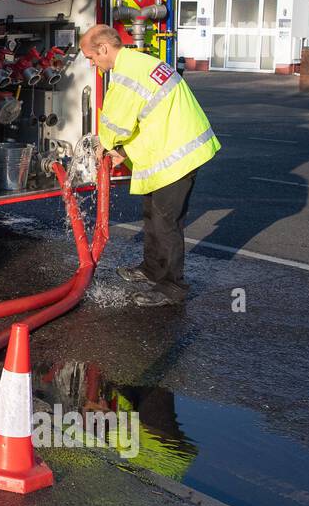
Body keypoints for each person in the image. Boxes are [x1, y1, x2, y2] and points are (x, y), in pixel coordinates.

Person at [81, 24, 220, 307]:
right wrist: (124, 150)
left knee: (166, 221)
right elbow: (148, 116)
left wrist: (104, 147)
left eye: (91, 57)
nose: (93, 64)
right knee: (152, 213)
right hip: (170, 147)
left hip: (177, 153)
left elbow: (116, 122)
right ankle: (151, 269)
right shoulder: (139, 62)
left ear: (104, 48)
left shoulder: (126, 74)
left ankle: (172, 286)